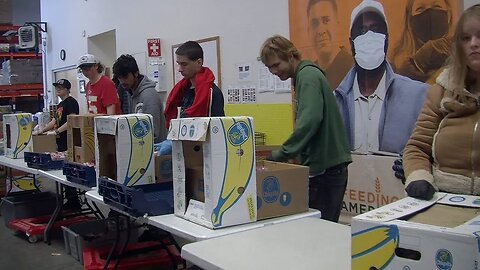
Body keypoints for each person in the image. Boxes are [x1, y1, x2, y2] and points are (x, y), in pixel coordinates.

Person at [260, 35, 351, 223]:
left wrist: (281, 154)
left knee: (319, 231)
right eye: (269, 68)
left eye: (276, 65)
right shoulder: (303, 76)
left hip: (326, 170)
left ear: (290, 56)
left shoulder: (307, 76)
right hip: (325, 166)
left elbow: (310, 120)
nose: (273, 72)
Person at [403, 4, 480, 200]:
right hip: (444, 199)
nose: (473, 43)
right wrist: (419, 177)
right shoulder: (442, 89)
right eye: (466, 38)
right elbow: (417, 147)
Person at [334, 0, 429, 155]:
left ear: (387, 40)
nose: (369, 36)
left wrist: (413, 166)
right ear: (351, 43)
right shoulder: (335, 102)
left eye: (376, 29)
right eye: (362, 30)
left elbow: (432, 151)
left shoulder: (418, 97)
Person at [37, 79, 81, 209]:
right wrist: (42, 130)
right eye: (57, 87)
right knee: (63, 169)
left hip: (69, 139)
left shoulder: (71, 102)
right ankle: (70, 200)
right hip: (61, 140)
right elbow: (54, 120)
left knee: (69, 169)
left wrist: (56, 131)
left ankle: (74, 201)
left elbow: (71, 121)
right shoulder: (61, 104)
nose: (58, 89)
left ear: (68, 89)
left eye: (61, 87)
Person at [164, 41, 224, 128]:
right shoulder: (181, 90)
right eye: (178, 64)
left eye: (184, 64)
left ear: (199, 62)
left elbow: (218, 128)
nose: (180, 69)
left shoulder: (213, 92)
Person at [392, 0, 453, 84]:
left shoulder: (460, 51)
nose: (429, 13)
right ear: (410, 21)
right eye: (420, 9)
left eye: (437, 6)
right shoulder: (396, 62)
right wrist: (418, 61)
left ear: (448, 15)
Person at [112, 54, 167, 142]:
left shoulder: (149, 95)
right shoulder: (130, 93)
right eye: (119, 78)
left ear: (136, 73)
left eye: (125, 77)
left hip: (154, 150)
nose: (122, 82)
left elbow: (153, 133)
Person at [307, 0, 354, 89]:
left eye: (326, 21)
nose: (320, 30)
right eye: (314, 23)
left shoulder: (353, 70)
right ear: (308, 31)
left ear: (337, 25)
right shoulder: (310, 74)